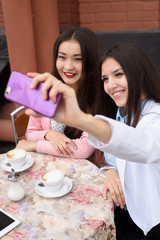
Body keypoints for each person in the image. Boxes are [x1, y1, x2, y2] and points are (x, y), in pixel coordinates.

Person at [26, 42, 160, 239]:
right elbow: (113, 154)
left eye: (118, 75)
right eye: (105, 79)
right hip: (123, 209)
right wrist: (110, 170)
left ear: (139, 72)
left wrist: (79, 119)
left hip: (149, 222)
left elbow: (146, 147)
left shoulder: (155, 118)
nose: (110, 85)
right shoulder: (123, 112)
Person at [17, 26, 108, 160]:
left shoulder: (99, 97)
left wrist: (35, 145)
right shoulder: (46, 90)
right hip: (49, 169)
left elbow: (82, 149)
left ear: (90, 61)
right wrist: (49, 135)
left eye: (77, 59)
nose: (68, 66)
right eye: (62, 57)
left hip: (80, 172)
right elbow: (30, 132)